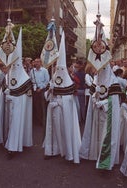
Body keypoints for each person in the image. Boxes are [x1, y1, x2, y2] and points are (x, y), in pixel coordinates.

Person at [0, 28, 33, 159]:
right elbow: (3, 92)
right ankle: (3, 139)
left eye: (17, 65)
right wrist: (5, 93)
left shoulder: (26, 79)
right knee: (7, 122)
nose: (14, 68)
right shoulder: (7, 77)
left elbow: (27, 98)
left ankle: (13, 146)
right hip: (7, 106)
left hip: (18, 108)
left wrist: (14, 98)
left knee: (15, 123)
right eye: (13, 65)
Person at [43, 32, 81, 163]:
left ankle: (67, 151)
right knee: (52, 130)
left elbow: (69, 99)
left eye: (61, 68)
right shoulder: (53, 80)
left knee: (65, 130)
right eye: (57, 68)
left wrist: (58, 102)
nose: (58, 70)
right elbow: (46, 95)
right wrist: (50, 92)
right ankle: (52, 150)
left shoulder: (69, 82)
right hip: (53, 109)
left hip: (64, 111)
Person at [79, 64, 122, 170]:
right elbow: (93, 93)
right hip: (97, 112)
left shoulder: (113, 81)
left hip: (107, 113)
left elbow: (115, 100)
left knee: (105, 135)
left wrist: (103, 103)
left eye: (103, 68)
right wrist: (94, 98)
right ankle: (95, 154)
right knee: (96, 133)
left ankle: (104, 160)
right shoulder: (96, 79)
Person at [30, 58, 50, 127]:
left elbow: (47, 81)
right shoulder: (32, 71)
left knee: (43, 106)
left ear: (41, 63)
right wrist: (34, 88)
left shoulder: (44, 71)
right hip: (35, 90)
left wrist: (41, 88)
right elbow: (31, 80)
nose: (37, 63)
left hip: (42, 90)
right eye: (35, 62)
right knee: (36, 106)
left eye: (38, 62)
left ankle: (44, 121)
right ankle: (39, 121)